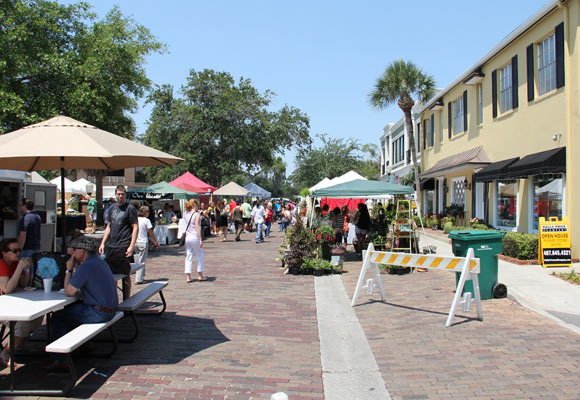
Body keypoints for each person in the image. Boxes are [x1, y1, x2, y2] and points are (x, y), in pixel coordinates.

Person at [45, 236, 118, 372]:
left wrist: (68, 269)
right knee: (69, 309)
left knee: (57, 318)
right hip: (109, 309)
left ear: (82, 251)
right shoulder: (99, 262)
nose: (71, 252)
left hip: (98, 313)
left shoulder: (86, 267)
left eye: (74, 249)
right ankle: (85, 344)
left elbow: (69, 291)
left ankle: (60, 359)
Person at [0, 238, 39, 367]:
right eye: (14, 251)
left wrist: (26, 270)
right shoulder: (2, 264)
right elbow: (7, 289)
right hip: (3, 306)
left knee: (37, 317)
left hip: (11, 303)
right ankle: (7, 351)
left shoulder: (16, 264)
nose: (18, 253)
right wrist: (19, 269)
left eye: (19, 250)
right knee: (24, 322)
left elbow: (24, 284)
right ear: (4, 253)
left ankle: (18, 344)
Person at [99, 185, 138, 300]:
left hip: (124, 244)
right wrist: (103, 242)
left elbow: (135, 227)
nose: (120, 196)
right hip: (112, 245)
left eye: (122, 194)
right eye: (118, 194)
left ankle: (127, 300)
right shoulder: (112, 208)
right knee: (111, 274)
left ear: (125, 195)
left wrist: (131, 246)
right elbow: (109, 226)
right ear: (115, 195)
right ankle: (113, 299)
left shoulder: (130, 208)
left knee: (125, 273)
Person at [134, 206, 159, 285]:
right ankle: (139, 279)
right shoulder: (146, 220)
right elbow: (150, 232)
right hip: (143, 242)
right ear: (145, 213)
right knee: (142, 261)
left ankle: (141, 276)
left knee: (137, 260)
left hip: (135, 242)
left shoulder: (135, 220)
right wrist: (155, 241)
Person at [183, 199, 206, 282]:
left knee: (188, 256)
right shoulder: (197, 214)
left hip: (187, 237)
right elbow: (197, 226)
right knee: (199, 255)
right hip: (194, 236)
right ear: (195, 205)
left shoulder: (186, 213)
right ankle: (200, 275)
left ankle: (188, 276)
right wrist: (200, 239)